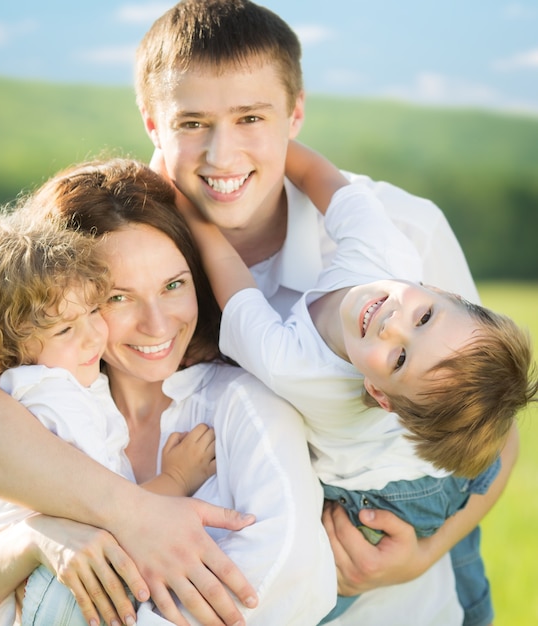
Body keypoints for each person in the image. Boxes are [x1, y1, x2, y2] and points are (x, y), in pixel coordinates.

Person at [0, 1, 517, 624]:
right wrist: (122, 513)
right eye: (193, 122)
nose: (222, 155)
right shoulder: (113, 235)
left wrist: (427, 553)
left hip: (398, 604)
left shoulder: (404, 234)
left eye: (251, 117)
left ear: (296, 113)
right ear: (152, 122)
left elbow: (495, 434)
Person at [0, 158, 336, 626]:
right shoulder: (50, 403)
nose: (157, 324)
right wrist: (34, 538)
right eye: (117, 297)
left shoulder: (243, 409)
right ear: (63, 298)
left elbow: (282, 585)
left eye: (174, 285)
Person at [177, 139, 538, 622]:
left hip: (389, 500)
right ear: (437, 288)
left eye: (399, 358)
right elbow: (322, 178)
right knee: (465, 547)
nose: (393, 322)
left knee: (310, 594)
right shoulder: (386, 250)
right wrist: (254, 140)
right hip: (432, 456)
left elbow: (226, 270)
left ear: (378, 393)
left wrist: (179, 193)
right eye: (425, 315)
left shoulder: (295, 367)